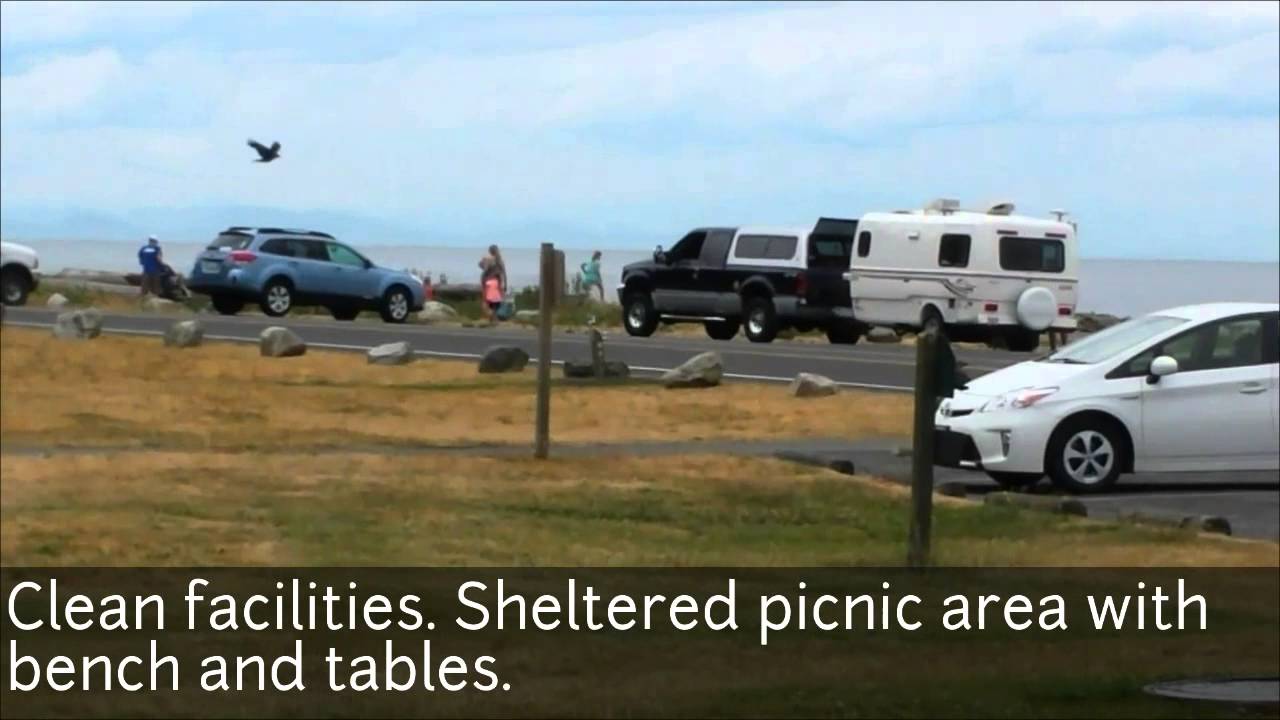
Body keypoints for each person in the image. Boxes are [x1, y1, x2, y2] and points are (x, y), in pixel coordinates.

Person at [479, 244, 507, 324]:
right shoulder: (500, 260)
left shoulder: (487, 259)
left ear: (490, 251)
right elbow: (504, 273)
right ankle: (494, 319)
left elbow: (483, 268)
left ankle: (491, 317)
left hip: (488, 282)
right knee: (496, 302)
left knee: (486, 301)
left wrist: (482, 280)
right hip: (497, 283)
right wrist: (505, 284)